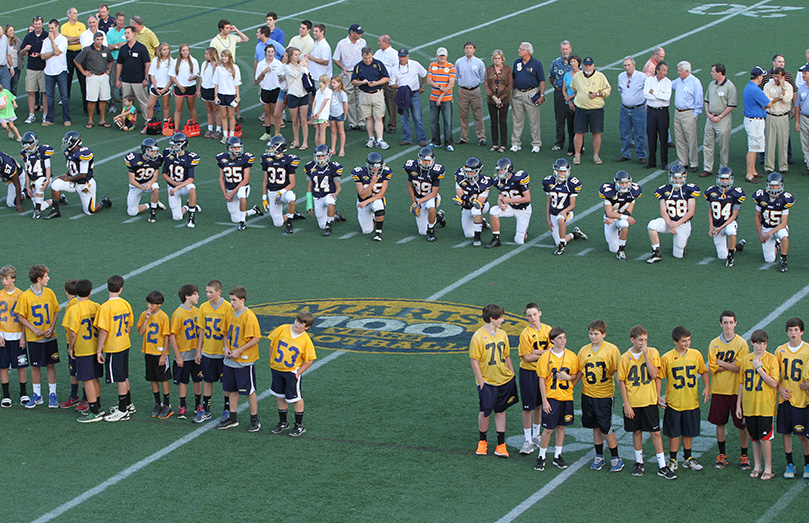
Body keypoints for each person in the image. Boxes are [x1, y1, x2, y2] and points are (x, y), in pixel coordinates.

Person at [618, 325, 676, 479]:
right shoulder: (625, 357)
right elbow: (621, 382)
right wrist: (627, 405)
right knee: (637, 432)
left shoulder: (653, 352)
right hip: (634, 402)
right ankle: (639, 462)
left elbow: (654, 374)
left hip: (649, 401)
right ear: (633, 340)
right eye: (640, 340)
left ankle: (662, 465)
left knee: (656, 432)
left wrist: (646, 356)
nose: (643, 343)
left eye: (645, 340)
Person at [659, 326, 710, 472]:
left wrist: (707, 387)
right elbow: (659, 377)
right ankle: (673, 459)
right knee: (674, 433)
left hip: (691, 401)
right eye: (683, 341)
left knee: (689, 432)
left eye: (688, 340)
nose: (687, 343)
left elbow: (703, 371)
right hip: (674, 402)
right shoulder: (667, 357)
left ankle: (688, 458)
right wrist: (657, 395)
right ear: (676, 342)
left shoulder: (695, 354)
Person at [470, 303, 517, 458]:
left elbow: (507, 355)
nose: (502, 320)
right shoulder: (478, 336)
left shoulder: (502, 334)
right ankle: (482, 442)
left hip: (503, 379)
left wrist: (511, 372)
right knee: (485, 411)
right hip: (488, 381)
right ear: (491, 318)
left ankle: (501, 445)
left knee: (501, 411)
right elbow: (474, 361)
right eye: (500, 317)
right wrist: (481, 382)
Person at [576, 320, 623, 472]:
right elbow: (580, 372)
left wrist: (624, 390)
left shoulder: (611, 349)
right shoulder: (584, 350)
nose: (593, 337)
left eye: (596, 334)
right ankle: (599, 456)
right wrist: (570, 386)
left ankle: (616, 457)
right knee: (594, 426)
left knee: (606, 427)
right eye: (591, 333)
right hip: (588, 394)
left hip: (604, 395)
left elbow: (617, 372)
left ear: (603, 334)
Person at [707, 310, 750, 470]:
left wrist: (722, 363)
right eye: (725, 322)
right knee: (720, 423)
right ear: (721, 324)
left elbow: (741, 367)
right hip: (719, 390)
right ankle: (722, 454)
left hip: (737, 391)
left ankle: (744, 455)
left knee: (741, 425)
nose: (728, 326)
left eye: (731, 322)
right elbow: (712, 367)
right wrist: (730, 365)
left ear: (735, 323)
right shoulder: (714, 343)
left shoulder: (741, 343)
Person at [736, 329, 779, 480]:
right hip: (749, 406)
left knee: (765, 438)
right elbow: (741, 383)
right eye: (759, 343)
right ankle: (757, 466)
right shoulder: (745, 360)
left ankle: (768, 468)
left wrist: (759, 368)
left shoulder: (771, 359)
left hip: (765, 406)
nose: (761, 346)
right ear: (752, 343)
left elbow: (774, 383)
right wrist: (738, 405)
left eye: (764, 343)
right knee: (754, 437)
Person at [15, 264, 61, 409]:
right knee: (35, 366)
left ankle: (52, 394)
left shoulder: (50, 293)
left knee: (50, 364)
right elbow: (20, 316)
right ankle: (37, 395)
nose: (49, 278)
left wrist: (52, 327)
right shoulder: (25, 296)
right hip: (35, 338)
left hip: (50, 336)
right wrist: (34, 329)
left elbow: (55, 311)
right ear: (39, 278)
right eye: (46, 276)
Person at [217, 286, 262, 432]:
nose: (231, 303)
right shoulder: (230, 314)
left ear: (242, 300)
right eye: (230, 300)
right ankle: (232, 418)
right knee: (231, 390)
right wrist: (227, 348)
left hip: (244, 360)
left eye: (234, 300)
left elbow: (256, 338)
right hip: (230, 359)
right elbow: (224, 333)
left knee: (249, 391)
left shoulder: (249, 316)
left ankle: (255, 419)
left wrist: (239, 351)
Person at [535, 327, 579, 470]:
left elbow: (576, 374)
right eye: (560, 338)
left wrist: (569, 378)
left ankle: (557, 455)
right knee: (548, 429)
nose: (563, 341)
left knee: (561, 427)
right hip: (552, 398)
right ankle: (541, 456)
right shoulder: (545, 357)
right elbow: (541, 380)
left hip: (566, 398)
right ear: (552, 340)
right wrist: (544, 400)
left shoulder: (572, 356)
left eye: (564, 338)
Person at [268, 312, 317, 437]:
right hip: (277, 369)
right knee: (279, 396)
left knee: (295, 398)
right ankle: (283, 422)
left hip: (291, 372)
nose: (297, 324)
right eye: (296, 321)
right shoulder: (283, 328)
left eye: (301, 323)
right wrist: (271, 361)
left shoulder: (306, 340)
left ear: (307, 327)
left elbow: (309, 360)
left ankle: (299, 425)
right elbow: (272, 344)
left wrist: (298, 372)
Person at [45, 131, 111, 219]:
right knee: (55, 184)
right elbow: (72, 168)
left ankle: (104, 202)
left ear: (75, 143)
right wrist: (66, 175)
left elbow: (83, 175)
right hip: (73, 181)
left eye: (68, 142)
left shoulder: (83, 153)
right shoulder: (68, 152)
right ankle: (55, 211)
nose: (66, 144)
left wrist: (68, 178)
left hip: (85, 184)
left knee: (90, 211)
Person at [94, 275, 134, 419]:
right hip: (124, 343)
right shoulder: (125, 304)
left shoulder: (105, 307)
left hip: (113, 346)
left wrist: (99, 350)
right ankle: (128, 404)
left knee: (120, 378)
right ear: (120, 289)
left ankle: (123, 410)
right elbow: (129, 325)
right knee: (124, 375)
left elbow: (103, 331)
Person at [774, 318, 809, 479]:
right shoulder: (780, 350)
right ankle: (790, 464)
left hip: (802, 399)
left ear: (801, 331)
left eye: (796, 330)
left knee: (802, 435)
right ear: (787, 332)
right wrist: (780, 389)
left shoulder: (808, 350)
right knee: (786, 433)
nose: (793, 333)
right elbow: (774, 375)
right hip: (785, 399)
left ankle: (807, 464)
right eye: (790, 330)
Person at [63, 279, 103, 422]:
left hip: (83, 349)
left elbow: (72, 333)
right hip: (95, 346)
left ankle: (94, 412)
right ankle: (98, 406)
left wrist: (70, 348)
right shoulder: (96, 306)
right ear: (90, 292)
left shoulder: (74, 309)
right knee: (95, 378)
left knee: (87, 380)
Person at [194, 280, 233, 424]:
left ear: (219, 292)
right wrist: (199, 350)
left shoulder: (228, 308)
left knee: (226, 383)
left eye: (211, 292)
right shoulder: (203, 307)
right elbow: (202, 330)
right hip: (208, 351)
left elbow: (230, 331)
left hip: (222, 352)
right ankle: (206, 410)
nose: (208, 294)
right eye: (206, 292)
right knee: (207, 380)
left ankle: (227, 409)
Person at [646, 164, 699, 263]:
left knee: (678, 255)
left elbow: (691, 212)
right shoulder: (664, 190)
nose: (677, 180)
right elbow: (663, 210)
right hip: (669, 222)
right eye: (675, 177)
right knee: (652, 225)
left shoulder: (689, 190)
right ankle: (656, 253)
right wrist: (670, 224)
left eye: (679, 178)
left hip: (682, 224)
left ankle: (684, 241)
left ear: (684, 178)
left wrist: (676, 224)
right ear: (670, 177)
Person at [516, 303, 550, 455]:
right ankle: (527, 439)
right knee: (527, 407)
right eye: (529, 315)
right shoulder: (525, 333)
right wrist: (543, 353)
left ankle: (536, 435)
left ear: (540, 313)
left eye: (535, 314)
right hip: (528, 372)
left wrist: (535, 351)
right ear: (526, 317)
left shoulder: (548, 330)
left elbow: (552, 352)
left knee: (539, 405)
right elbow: (527, 357)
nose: (532, 318)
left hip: (543, 372)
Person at [136, 290, 171, 420]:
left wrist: (164, 354)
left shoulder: (164, 317)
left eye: (152, 304)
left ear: (159, 304)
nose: (149, 306)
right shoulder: (144, 315)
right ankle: (158, 403)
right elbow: (140, 332)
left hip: (159, 353)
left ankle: (167, 404)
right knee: (152, 378)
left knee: (163, 378)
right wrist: (146, 319)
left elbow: (166, 337)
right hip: (148, 351)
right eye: (148, 303)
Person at [542, 158, 587, 255]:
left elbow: (572, 205)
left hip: (567, 213)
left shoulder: (571, 184)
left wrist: (564, 211)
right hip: (553, 214)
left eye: (564, 171)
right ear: (555, 171)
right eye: (560, 171)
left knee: (560, 219)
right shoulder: (548, 182)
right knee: (557, 241)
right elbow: (548, 202)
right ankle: (574, 234)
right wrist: (548, 219)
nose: (562, 174)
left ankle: (561, 247)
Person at [570, 57, 611, 165]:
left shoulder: (600, 76)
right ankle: (577, 155)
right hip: (581, 109)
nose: (588, 67)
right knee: (579, 132)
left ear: (593, 66)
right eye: (586, 65)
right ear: (582, 66)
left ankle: (596, 155)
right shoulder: (577, 76)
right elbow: (574, 88)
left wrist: (597, 94)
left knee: (596, 133)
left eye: (590, 65)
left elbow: (607, 91)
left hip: (596, 109)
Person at [169, 284, 201, 420]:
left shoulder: (198, 311)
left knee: (198, 378)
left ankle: (198, 405)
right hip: (183, 353)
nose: (198, 296)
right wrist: (177, 356)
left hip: (196, 353)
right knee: (183, 380)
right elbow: (172, 336)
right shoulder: (178, 313)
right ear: (187, 296)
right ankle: (182, 405)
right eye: (195, 294)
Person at [217, 136, 263, 231]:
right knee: (235, 218)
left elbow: (246, 179)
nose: (237, 150)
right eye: (234, 148)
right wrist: (225, 193)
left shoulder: (245, 158)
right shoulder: (222, 158)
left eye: (238, 147)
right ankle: (253, 211)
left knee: (242, 195)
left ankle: (243, 222)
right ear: (229, 148)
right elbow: (221, 178)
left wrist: (232, 193)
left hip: (243, 186)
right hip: (230, 188)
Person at [704, 167, 746, 267]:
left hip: (728, 223)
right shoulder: (712, 192)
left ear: (731, 179)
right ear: (718, 178)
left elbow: (734, 215)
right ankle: (737, 247)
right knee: (722, 255)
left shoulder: (735, 193)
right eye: (722, 179)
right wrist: (711, 227)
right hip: (716, 224)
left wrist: (720, 228)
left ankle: (731, 257)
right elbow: (710, 212)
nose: (724, 181)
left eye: (726, 179)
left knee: (731, 232)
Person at [486, 157, 531, 248]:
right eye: (498, 170)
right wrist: (500, 204)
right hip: (510, 207)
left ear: (509, 169)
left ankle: (524, 231)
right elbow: (500, 197)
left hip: (523, 210)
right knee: (494, 211)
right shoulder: (499, 181)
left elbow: (527, 198)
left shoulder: (518, 179)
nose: (499, 172)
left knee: (519, 240)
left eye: (501, 170)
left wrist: (509, 200)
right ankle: (496, 239)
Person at [0, 265, 29, 407]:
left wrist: (23, 337)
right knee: (3, 366)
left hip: (17, 336)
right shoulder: (0, 295)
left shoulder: (21, 295)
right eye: (2, 279)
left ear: (13, 279)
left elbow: (24, 318)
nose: (4, 282)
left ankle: (23, 393)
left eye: (6, 279)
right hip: (3, 336)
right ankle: (6, 395)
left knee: (21, 365)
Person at [701, 63, 736, 178]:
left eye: (713, 72)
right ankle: (708, 168)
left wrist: (720, 116)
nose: (711, 74)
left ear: (719, 73)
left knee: (723, 146)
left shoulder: (730, 87)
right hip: (710, 119)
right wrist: (708, 114)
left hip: (723, 120)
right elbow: (706, 100)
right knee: (707, 144)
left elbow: (731, 105)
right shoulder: (711, 84)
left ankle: (723, 169)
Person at [404, 146, 446, 241]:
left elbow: (434, 193)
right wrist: (415, 202)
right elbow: (410, 186)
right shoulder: (411, 167)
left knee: (431, 206)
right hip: (419, 198)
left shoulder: (435, 171)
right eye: (424, 160)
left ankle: (431, 231)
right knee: (422, 231)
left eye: (428, 161)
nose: (426, 163)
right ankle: (438, 217)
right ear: (419, 159)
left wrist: (418, 203)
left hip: (432, 197)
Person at [73, 31, 114, 128]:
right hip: (93, 76)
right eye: (97, 40)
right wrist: (83, 72)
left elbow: (111, 60)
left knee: (103, 99)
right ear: (94, 40)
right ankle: (90, 121)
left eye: (101, 39)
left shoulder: (106, 50)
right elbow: (76, 60)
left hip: (103, 76)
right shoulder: (87, 50)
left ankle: (102, 120)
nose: (99, 42)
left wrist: (109, 69)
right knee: (91, 100)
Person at [753, 172, 792, 272]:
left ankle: (783, 260)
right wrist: (760, 233)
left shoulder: (785, 199)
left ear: (781, 186)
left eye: (776, 185)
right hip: (766, 227)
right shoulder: (761, 196)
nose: (774, 188)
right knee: (769, 259)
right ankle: (777, 245)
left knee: (784, 235)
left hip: (779, 227)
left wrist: (770, 233)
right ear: (767, 185)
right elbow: (757, 217)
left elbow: (783, 223)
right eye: (772, 185)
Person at [599, 170, 642, 261]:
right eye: (621, 183)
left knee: (624, 224)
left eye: (626, 183)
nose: (624, 185)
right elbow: (609, 213)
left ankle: (621, 249)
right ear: (616, 183)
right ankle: (619, 236)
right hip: (610, 218)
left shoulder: (633, 192)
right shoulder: (609, 192)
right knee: (613, 249)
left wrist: (623, 218)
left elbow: (628, 211)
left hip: (620, 217)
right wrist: (618, 219)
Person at [261, 135, 300, 234]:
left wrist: (282, 191)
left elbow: (293, 183)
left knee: (291, 199)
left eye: (272, 147)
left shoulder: (288, 160)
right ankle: (292, 214)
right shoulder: (266, 159)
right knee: (278, 223)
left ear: (280, 148)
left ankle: (289, 223)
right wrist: (264, 197)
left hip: (284, 191)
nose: (270, 149)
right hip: (272, 192)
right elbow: (265, 180)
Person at [353, 47, 390, 150]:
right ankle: (371, 138)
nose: (368, 60)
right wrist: (362, 82)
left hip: (377, 93)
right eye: (365, 58)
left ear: (372, 55)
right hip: (364, 94)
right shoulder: (358, 66)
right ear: (362, 57)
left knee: (378, 117)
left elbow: (386, 78)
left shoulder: (378, 64)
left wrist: (376, 83)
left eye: (369, 58)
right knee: (368, 117)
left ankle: (380, 139)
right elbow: (353, 81)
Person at [510, 42, 545, 153]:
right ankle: (515, 143)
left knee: (533, 120)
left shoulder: (536, 64)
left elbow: (542, 81)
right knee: (517, 120)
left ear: (528, 51)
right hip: (517, 94)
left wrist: (542, 95)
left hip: (531, 93)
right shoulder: (517, 62)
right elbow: (513, 78)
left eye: (521, 49)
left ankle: (536, 143)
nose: (519, 51)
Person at [389, 48, 427, 147]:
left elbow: (424, 74)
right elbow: (391, 84)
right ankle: (407, 138)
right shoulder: (394, 69)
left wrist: (422, 86)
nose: (402, 59)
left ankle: (421, 139)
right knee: (403, 118)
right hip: (402, 95)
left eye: (403, 56)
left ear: (408, 56)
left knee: (417, 117)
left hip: (414, 94)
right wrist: (402, 88)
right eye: (400, 57)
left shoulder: (415, 64)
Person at [162, 132, 200, 227]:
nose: (174, 147)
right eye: (173, 144)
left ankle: (191, 218)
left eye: (177, 145)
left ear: (184, 145)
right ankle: (188, 206)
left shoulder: (190, 157)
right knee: (177, 217)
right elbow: (164, 174)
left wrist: (177, 187)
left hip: (183, 186)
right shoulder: (167, 153)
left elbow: (191, 179)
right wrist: (174, 184)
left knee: (192, 188)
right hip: (172, 186)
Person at [332, 24, 366, 131]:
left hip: (360, 72)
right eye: (358, 33)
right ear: (351, 33)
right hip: (348, 73)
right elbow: (336, 58)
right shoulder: (342, 44)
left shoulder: (363, 42)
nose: (360, 35)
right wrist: (343, 68)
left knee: (360, 97)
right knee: (350, 98)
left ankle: (361, 122)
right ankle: (353, 122)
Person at [743, 67, 774, 183]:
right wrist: (776, 99)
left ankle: (753, 171)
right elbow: (769, 104)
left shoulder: (749, 87)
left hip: (752, 120)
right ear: (759, 76)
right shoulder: (756, 90)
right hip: (754, 121)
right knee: (752, 147)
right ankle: (749, 174)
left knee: (755, 147)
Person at [671, 61, 703, 172]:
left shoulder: (695, 82)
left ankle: (694, 163)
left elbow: (699, 100)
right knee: (679, 138)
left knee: (691, 139)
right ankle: (682, 162)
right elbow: (669, 85)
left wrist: (695, 114)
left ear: (687, 71)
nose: (678, 72)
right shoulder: (678, 81)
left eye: (680, 70)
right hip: (677, 113)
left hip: (688, 113)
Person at [454, 156, 493, 247]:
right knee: (468, 234)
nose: (468, 173)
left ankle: (477, 238)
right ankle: (481, 223)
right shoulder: (460, 177)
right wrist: (465, 201)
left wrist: (465, 200)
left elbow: (479, 202)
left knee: (475, 210)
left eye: (471, 171)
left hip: (482, 205)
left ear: (478, 171)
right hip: (466, 207)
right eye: (467, 171)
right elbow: (459, 194)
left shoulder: (485, 181)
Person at [305, 142, 343, 236]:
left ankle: (329, 225)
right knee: (321, 224)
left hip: (328, 194)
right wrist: (309, 203)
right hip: (317, 197)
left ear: (327, 156)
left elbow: (339, 187)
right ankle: (336, 215)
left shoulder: (333, 167)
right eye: (318, 156)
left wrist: (335, 194)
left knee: (330, 202)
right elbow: (310, 187)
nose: (320, 158)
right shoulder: (311, 167)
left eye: (322, 156)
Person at [352, 151, 391, 241]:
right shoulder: (359, 173)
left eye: (378, 167)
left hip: (375, 199)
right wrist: (372, 182)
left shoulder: (385, 173)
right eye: (373, 167)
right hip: (363, 200)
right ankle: (373, 219)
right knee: (367, 230)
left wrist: (366, 202)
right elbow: (362, 195)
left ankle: (378, 232)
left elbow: (381, 194)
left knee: (378, 204)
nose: (376, 169)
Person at [40, 19, 71, 127]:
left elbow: (58, 52)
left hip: (61, 70)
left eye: (52, 28)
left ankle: (66, 118)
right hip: (49, 72)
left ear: (57, 27)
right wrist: (53, 52)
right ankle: (50, 118)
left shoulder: (62, 39)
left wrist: (53, 42)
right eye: (49, 28)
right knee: (50, 97)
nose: (51, 30)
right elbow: (43, 56)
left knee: (64, 96)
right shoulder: (45, 41)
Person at [617, 57, 647, 164]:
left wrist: (646, 103)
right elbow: (620, 90)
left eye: (629, 65)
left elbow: (647, 90)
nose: (627, 68)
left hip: (638, 108)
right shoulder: (621, 76)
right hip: (625, 108)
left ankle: (641, 155)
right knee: (625, 132)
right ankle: (625, 154)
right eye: (625, 65)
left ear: (634, 65)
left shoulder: (642, 77)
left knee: (640, 133)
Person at [124, 137, 163, 222]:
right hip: (136, 186)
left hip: (148, 183)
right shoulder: (134, 159)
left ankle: (153, 212)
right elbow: (132, 180)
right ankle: (150, 204)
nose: (154, 153)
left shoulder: (158, 159)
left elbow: (155, 177)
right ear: (145, 150)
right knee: (131, 212)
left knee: (155, 188)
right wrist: (143, 188)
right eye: (151, 151)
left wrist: (150, 183)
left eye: (155, 151)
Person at [455, 42, 486, 146]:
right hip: (463, 90)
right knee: (463, 115)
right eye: (467, 48)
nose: (468, 50)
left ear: (474, 50)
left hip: (475, 90)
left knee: (478, 114)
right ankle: (464, 137)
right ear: (464, 50)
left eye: (470, 48)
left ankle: (481, 137)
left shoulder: (479, 63)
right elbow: (456, 75)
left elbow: (482, 77)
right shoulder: (459, 62)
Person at [763, 67, 793, 175]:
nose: (776, 79)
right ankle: (769, 166)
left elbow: (787, 99)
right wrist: (779, 97)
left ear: (783, 77)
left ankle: (783, 166)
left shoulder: (788, 86)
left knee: (783, 142)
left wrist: (783, 89)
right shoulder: (768, 85)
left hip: (783, 117)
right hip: (771, 116)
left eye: (778, 77)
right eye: (775, 76)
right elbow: (767, 101)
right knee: (770, 142)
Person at [116, 25, 150, 117]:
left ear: (134, 34)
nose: (126, 35)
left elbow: (147, 63)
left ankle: (148, 121)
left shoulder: (141, 48)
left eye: (128, 33)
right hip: (126, 80)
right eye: (125, 33)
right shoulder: (123, 48)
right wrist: (117, 79)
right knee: (125, 102)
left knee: (143, 102)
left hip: (139, 80)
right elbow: (119, 64)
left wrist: (146, 78)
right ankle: (125, 121)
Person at [20, 16, 49, 124]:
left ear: (42, 24)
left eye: (39, 23)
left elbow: (50, 52)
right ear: (33, 24)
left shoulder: (46, 36)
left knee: (44, 92)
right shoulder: (28, 36)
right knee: (31, 92)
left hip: (43, 68)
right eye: (36, 24)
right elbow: (21, 53)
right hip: (31, 68)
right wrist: (25, 50)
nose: (37, 25)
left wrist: (40, 55)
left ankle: (45, 114)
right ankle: (31, 114)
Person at [20, 131, 55, 219]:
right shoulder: (25, 154)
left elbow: (48, 167)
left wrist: (47, 180)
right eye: (26, 146)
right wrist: (27, 187)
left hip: (44, 178)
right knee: (41, 205)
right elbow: (27, 172)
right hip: (33, 181)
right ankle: (56, 200)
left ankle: (37, 210)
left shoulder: (43, 151)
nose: (28, 147)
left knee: (39, 185)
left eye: (30, 145)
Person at [281, 47, 310, 150]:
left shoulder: (301, 66)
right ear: (290, 56)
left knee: (304, 120)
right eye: (295, 55)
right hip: (293, 94)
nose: (298, 56)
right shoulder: (287, 67)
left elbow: (307, 75)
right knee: (294, 120)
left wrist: (305, 67)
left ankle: (305, 142)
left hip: (303, 94)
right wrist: (301, 65)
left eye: (298, 54)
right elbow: (294, 74)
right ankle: (296, 140)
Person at [644, 61, 671, 170]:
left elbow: (666, 97)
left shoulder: (668, 82)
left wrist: (654, 93)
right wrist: (659, 95)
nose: (665, 72)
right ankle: (652, 161)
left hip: (662, 112)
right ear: (657, 70)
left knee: (663, 137)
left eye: (666, 70)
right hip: (651, 111)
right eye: (663, 70)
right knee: (651, 136)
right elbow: (646, 94)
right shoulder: (649, 80)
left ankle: (664, 162)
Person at [484, 49, 512, 153]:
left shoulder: (507, 69)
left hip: (504, 100)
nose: (497, 60)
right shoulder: (489, 69)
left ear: (502, 59)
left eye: (498, 58)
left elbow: (509, 85)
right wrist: (494, 97)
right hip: (491, 100)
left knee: (503, 122)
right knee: (493, 121)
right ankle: (495, 143)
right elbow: (486, 84)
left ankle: (503, 144)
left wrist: (501, 98)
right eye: (495, 58)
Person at [61, 8, 86, 110]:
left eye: (76, 13)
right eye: (74, 13)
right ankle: (65, 104)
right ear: (69, 15)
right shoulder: (64, 26)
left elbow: (82, 39)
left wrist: (70, 40)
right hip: (69, 54)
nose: (76, 15)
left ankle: (86, 105)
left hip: (80, 54)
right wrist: (77, 39)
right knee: (68, 80)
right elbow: (64, 40)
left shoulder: (82, 25)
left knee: (83, 79)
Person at [213, 50, 241, 145]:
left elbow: (237, 84)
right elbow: (216, 83)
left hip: (231, 94)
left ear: (229, 57)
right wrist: (216, 96)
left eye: (225, 56)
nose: (224, 58)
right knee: (223, 115)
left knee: (231, 115)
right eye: (222, 56)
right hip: (221, 94)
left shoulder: (235, 68)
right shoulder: (218, 68)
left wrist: (237, 97)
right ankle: (225, 135)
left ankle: (231, 135)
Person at [549, 41, 572, 153]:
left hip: (572, 94)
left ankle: (575, 143)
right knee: (559, 118)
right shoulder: (555, 63)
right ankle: (559, 142)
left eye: (566, 49)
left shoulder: (575, 62)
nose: (565, 51)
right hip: (559, 92)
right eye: (563, 49)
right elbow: (551, 78)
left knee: (574, 119)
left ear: (570, 49)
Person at [255, 44, 282, 140]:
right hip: (265, 89)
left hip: (276, 89)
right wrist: (264, 72)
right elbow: (258, 79)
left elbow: (283, 78)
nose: (270, 54)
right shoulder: (261, 64)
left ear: (274, 53)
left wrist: (281, 77)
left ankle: (277, 133)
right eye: (268, 51)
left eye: (272, 51)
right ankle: (267, 133)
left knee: (276, 114)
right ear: (265, 52)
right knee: (267, 113)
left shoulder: (278, 64)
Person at [169, 43, 199, 129]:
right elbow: (172, 76)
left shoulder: (194, 61)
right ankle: (176, 129)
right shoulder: (175, 62)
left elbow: (197, 74)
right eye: (183, 50)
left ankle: (194, 126)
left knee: (192, 107)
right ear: (180, 52)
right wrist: (179, 86)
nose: (185, 52)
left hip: (191, 87)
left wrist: (193, 77)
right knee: (178, 109)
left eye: (187, 50)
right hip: (179, 88)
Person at [373, 35, 397, 134]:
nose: (378, 43)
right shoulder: (378, 53)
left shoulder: (394, 54)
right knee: (379, 104)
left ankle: (392, 125)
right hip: (379, 82)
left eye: (380, 41)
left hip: (389, 83)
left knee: (391, 104)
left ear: (385, 42)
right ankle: (380, 125)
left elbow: (396, 69)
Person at [105, 12, 127, 114]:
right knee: (112, 83)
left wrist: (116, 46)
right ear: (116, 21)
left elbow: (128, 44)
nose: (121, 22)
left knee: (127, 83)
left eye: (123, 20)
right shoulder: (110, 33)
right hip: (114, 60)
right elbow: (109, 47)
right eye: (119, 20)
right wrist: (119, 46)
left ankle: (127, 106)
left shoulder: (126, 31)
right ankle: (112, 105)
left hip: (126, 60)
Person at [145, 42, 171, 125]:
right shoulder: (155, 60)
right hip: (155, 87)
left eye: (167, 49)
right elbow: (152, 75)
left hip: (166, 88)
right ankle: (149, 123)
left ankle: (166, 124)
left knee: (166, 106)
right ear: (160, 51)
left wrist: (165, 88)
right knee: (150, 105)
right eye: (164, 49)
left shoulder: (172, 61)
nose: (166, 51)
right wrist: (156, 87)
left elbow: (172, 78)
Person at [307, 24, 332, 106]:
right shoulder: (316, 43)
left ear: (322, 32)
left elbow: (325, 61)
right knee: (313, 97)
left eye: (316, 31)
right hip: (314, 75)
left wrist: (312, 58)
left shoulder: (324, 46)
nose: (314, 33)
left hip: (320, 77)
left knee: (320, 99)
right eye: (314, 31)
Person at [561, 55, 581, 157]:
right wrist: (568, 101)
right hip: (568, 104)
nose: (573, 63)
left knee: (579, 128)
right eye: (571, 61)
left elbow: (582, 90)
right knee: (570, 127)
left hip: (579, 103)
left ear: (578, 63)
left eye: (574, 61)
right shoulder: (567, 75)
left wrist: (571, 97)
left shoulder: (581, 74)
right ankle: (571, 148)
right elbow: (564, 89)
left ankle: (579, 148)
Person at [199, 47, 221, 139]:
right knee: (209, 110)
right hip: (205, 88)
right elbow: (201, 77)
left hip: (213, 89)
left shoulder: (218, 65)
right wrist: (198, 89)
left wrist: (214, 66)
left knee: (216, 110)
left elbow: (217, 78)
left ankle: (218, 129)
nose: (205, 55)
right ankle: (210, 128)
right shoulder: (204, 64)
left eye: (207, 54)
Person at [795, 63, 809, 176]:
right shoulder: (802, 88)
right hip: (804, 118)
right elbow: (798, 105)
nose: (803, 75)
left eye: (805, 73)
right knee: (805, 143)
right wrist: (797, 122)